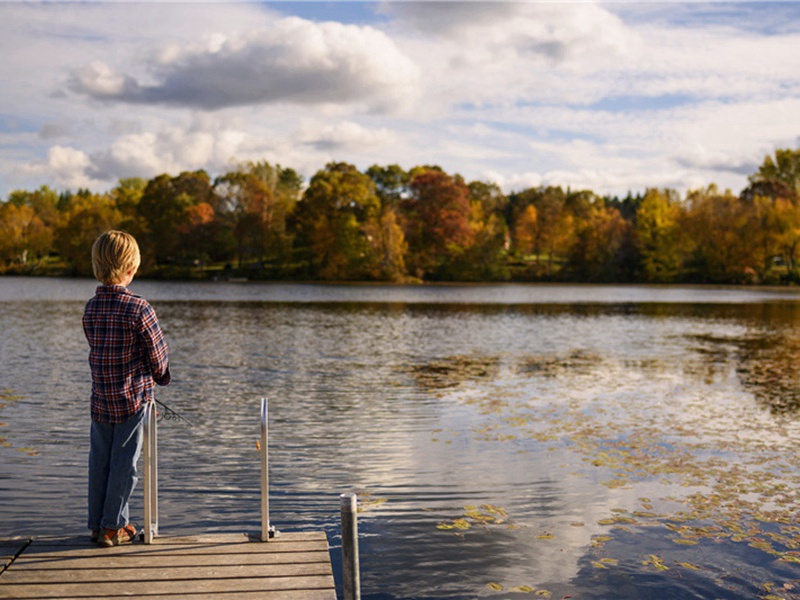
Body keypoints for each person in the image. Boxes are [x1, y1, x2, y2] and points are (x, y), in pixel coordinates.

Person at [82, 231, 171, 547]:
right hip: (133, 400)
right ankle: (113, 527)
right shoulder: (139, 308)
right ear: (131, 268)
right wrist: (161, 376)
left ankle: (98, 523)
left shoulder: (91, 307)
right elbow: (158, 356)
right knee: (125, 463)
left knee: (100, 461)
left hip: (100, 399)